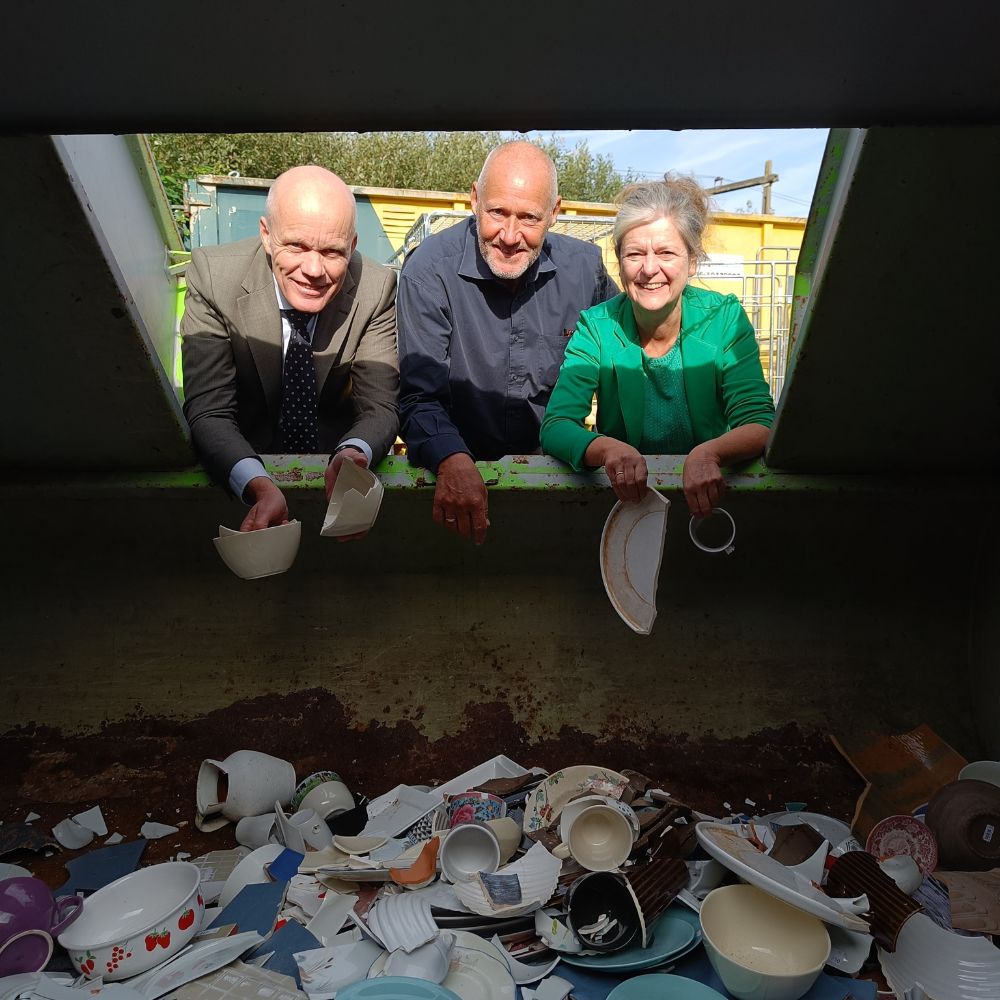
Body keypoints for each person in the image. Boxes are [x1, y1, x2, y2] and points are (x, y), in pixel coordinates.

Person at [397, 141, 618, 545]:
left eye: (529, 218)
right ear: (474, 199)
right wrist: (451, 458)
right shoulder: (428, 272)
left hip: (561, 480)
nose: (510, 235)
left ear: (554, 212)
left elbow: (629, 367)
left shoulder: (587, 272)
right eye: (497, 212)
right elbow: (417, 396)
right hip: (453, 482)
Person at [181, 165, 399, 533]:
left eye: (332, 252)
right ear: (266, 235)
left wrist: (353, 454)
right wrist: (258, 484)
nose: (313, 269)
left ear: (353, 246)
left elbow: (380, 406)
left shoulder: (376, 288)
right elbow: (209, 411)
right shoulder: (213, 278)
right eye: (296, 246)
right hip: (240, 480)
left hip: (338, 491)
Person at [540, 177, 775, 517]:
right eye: (634, 254)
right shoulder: (596, 326)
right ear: (619, 262)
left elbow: (758, 421)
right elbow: (557, 425)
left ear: (691, 262)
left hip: (714, 504)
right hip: (630, 505)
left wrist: (709, 454)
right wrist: (608, 450)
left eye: (666, 252)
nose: (649, 269)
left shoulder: (724, 318)